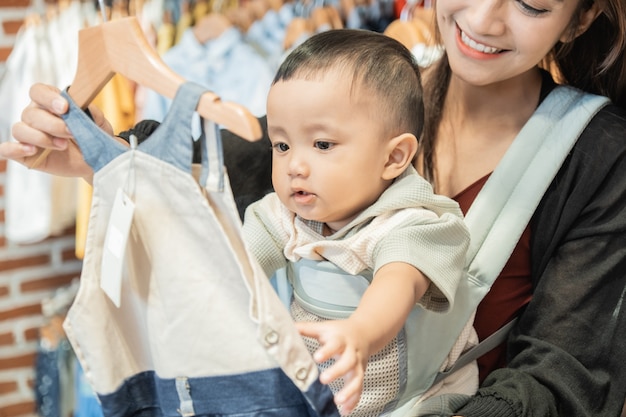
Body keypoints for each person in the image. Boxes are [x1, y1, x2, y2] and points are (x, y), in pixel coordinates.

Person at [3, 0, 626, 413]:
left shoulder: (597, 153)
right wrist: (106, 161)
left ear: (577, 19)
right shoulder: (367, 84)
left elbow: (566, 372)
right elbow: (242, 174)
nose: (486, 19)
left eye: (533, 4)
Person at [242, 29, 477, 417]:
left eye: (322, 145)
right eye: (281, 145)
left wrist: (360, 333)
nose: (294, 166)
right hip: (322, 393)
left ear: (393, 158)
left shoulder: (411, 225)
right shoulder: (284, 216)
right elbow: (236, 263)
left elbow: (396, 283)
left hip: (415, 397)